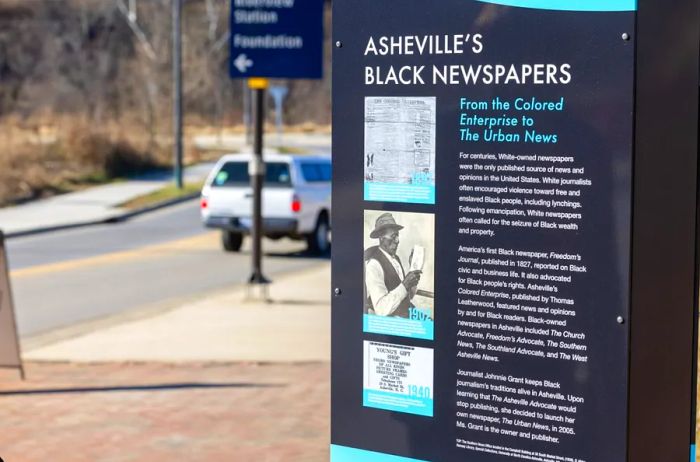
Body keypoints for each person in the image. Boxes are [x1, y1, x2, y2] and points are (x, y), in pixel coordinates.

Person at [364, 213, 422, 318]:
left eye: (397, 235)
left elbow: (408, 296)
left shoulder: (396, 259)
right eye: (393, 236)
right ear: (381, 238)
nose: (397, 241)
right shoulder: (373, 266)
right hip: (395, 321)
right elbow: (381, 309)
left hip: (407, 313)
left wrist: (413, 269)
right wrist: (405, 284)